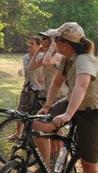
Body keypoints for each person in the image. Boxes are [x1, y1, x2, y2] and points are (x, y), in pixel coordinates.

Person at [30, 22, 98, 173]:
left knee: (89, 164)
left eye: (57, 40)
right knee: (36, 123)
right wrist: (47, 106)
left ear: (67, 44)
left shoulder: (84, 60)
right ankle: (46, 166)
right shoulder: (66, 60)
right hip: (73, 102)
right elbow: (56, 84)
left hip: (92, 110)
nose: (54, 42)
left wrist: (67, 115)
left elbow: (82, 87)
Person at [29, 28, 69, 158]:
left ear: (52, 41)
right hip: (51, 96)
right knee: (54, 129)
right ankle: (54, 155)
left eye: (45, 39)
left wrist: (51, 48)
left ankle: (58, 154)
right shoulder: (46, 54)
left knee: (56, 128)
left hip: (60, 96)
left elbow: (47, 62)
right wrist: (38, 51)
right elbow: (31, 66)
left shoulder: (58, 55)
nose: (41, 41)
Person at [8, 36, 45, 139]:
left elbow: (50, 71)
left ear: (39, 46)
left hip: (38, 89)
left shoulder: (42, 56)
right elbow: (27, 69)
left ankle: (32, 136)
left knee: (35, 114)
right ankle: (18, 134)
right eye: (29, 43)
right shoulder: (26, 57)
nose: (29, 45)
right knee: (20, 111)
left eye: (32, 43)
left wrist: (45, 79)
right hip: (27, 88)